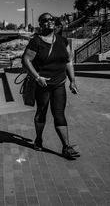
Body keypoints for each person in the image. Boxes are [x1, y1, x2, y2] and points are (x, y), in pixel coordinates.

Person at [22, 12, 80, 159]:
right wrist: (37, 77)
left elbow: (68, 61)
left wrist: (72, 81)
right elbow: (26, 60)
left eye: (51, 19)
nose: (49, 22)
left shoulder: (62, 41)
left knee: (59, 114)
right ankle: (39, 139)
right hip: (43, 85)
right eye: (45, 20)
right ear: (40, 25)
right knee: (41, 113)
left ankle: (66, 147)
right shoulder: (36, 41)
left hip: (59, 83)